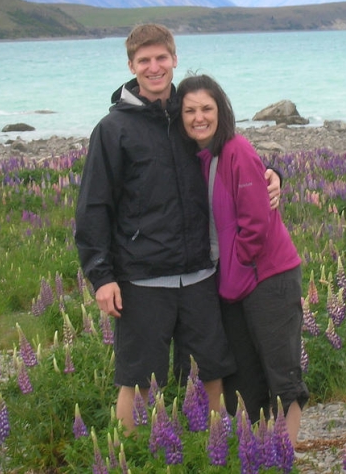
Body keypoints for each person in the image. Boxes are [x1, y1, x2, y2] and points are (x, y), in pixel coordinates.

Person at [74, 24, 281, 434]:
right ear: (131, 65)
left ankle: (212, 454)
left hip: (201, 273)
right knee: (138, 382)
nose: (154, 68)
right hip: (142, 279)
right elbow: (93, 208)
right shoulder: (113, 130)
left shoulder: (191, 117)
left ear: (174, 58)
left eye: (161, 58)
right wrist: (101, 276)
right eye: (144, 61)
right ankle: (128, 456)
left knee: (211, 373)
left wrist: (273, 173)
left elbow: (235, 157)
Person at [178, 73, 309, 446]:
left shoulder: (236, 148)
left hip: (267, 275)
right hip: (230, 281)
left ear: (222, 110)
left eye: (207, 108)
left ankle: (286, 453)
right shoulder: (197, 156)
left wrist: (241, 264)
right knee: (243, 372)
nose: (199, 117)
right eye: (190, 110)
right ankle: (257, 450)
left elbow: (256, 222)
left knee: (280, 366)